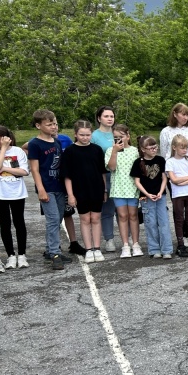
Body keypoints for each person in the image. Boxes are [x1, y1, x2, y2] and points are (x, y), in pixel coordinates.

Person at [27, 109, 73, 269]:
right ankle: (55, 253)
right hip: (46, 187)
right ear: (38, 125)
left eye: (55, 123)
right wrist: (40, 189)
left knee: (58, 218)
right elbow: (34, 169)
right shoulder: (35, 144)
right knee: (53, 220)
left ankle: (49, 250)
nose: (54, 127)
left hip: (59, 186)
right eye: (49, 124)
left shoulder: (57, 141)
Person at [62, 120, 107, 263]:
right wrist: (70, 195)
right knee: (85, 219)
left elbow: (102, 172)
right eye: (82, 135)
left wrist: (104, 190)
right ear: (75, 134)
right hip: (79, 190)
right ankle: (88, 249)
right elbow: (67, 176)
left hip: (96, 189)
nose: (85, 137)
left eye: (88, 135)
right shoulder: (70, 151)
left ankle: (97, 248)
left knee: (95, 218)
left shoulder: (97, 149)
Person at [0, 125, 29, 269]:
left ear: (4, 139)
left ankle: (22, 255)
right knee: (5, 223)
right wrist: (4, 150)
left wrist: (5, 169)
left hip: (17, 193)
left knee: (19, 222)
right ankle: (11, 256)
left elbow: (24, 171)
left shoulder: (18, 151)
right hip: (0, 193)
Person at [131, 135, 173, 259]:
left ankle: (167, 249)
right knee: (150, 223)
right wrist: (147, 194)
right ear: (143, 149)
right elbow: (137, 182)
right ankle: (154, 249)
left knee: (164, 222)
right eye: (151, 148)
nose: (154, 150)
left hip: (160, 196)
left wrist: (161, 192)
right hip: (146, 198)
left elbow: (164, 178)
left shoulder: (160, 160)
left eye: (155, 147)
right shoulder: (138, 162)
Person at [105, 124, 142, 258]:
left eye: (121, 137)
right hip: (119, 188)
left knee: (133, 215)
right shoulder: (110, 150)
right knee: (122, 216)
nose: (119, 140)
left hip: (133, 188)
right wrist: (115, 151)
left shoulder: (135, 151)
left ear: (128, 136)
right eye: (116, 137)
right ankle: (125, 245)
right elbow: (112, 167)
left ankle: (136, 244)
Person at [165, 135, 188, 258]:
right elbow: (173, 180)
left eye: (186, 148)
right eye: (182, 148)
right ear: (174, 147)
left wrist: (183, 181)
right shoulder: (170, 162)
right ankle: (181, 244)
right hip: (177, 195)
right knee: (179, 219)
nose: (185, 150)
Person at [91, 105, 118, 253]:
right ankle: (109, 239)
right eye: (106, 116)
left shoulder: (118, 133)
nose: (109, 119)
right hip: (104, 175)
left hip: (121, 176)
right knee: (107, 209)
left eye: (111, 116)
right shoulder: (94, 136)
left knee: (122, 209)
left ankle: (128, 240)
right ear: (99, 118)